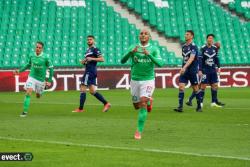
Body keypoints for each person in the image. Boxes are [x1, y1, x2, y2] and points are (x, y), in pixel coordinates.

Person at [121, 29, 164, 140]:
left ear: (149, 36)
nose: (143, 35)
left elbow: (160, 64)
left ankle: (138, 131)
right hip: (135, 80)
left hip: (148, 80)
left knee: (143, 102)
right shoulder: (133, 47)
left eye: (146, 34)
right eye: (141, 33)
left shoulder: (154, 49)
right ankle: (149, 101)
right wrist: (130, 53)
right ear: (139, 36)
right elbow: (122, 61)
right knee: (136, 106)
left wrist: (149, 55)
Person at [13, 41, 54, 117]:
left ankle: (40, 92)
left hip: (41, 80)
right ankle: (24, 112)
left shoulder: (46, 57)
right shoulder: (31, 55)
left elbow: (51, 68)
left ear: (42, 49)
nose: (38, 49)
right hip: (32, 77)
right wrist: (19, 71)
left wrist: (49, 80)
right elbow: (28, 64)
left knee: (38, 96)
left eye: (39, 47)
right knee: (28, 92)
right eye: (37, 47)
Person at [73, 35, 111, 113]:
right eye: (88, 40)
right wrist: (84, 62)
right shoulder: (87, 51)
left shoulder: (95, 49)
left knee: (82, 88)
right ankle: (106, 103)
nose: (89, 41)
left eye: (90, 39)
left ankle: (80, 109)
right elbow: (88, 61)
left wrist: (91, 58)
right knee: (92, 91)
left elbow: (102, 59)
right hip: (89, 70)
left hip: (90, 71)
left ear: (94, 41)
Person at [186, 34, 225, 107]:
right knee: (202, 86)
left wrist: (219, 68)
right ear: (207, 39)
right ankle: (200, 102)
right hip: (205, 70)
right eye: (209, 38)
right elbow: (200, 60)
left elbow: (216, 59)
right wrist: (200, 70)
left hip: (213, 70)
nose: (210, 39)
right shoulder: (203, 48)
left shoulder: (215, 48)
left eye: (212, 38)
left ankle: (213, 102)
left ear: (213, 40)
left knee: (215, 85)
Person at [174, 30, 202, 112]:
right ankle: (180, 107)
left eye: (187, 34)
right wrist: (183, 68)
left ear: (192, 36)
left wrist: (184, 67)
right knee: (181, 87)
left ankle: (199, 106)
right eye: (185, 34)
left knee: (195, 88)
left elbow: (191, 58)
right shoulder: (184, 47)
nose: (185, 35)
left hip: (192, 70)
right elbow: (185, 59)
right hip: (185, 71)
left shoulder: (194, 46)